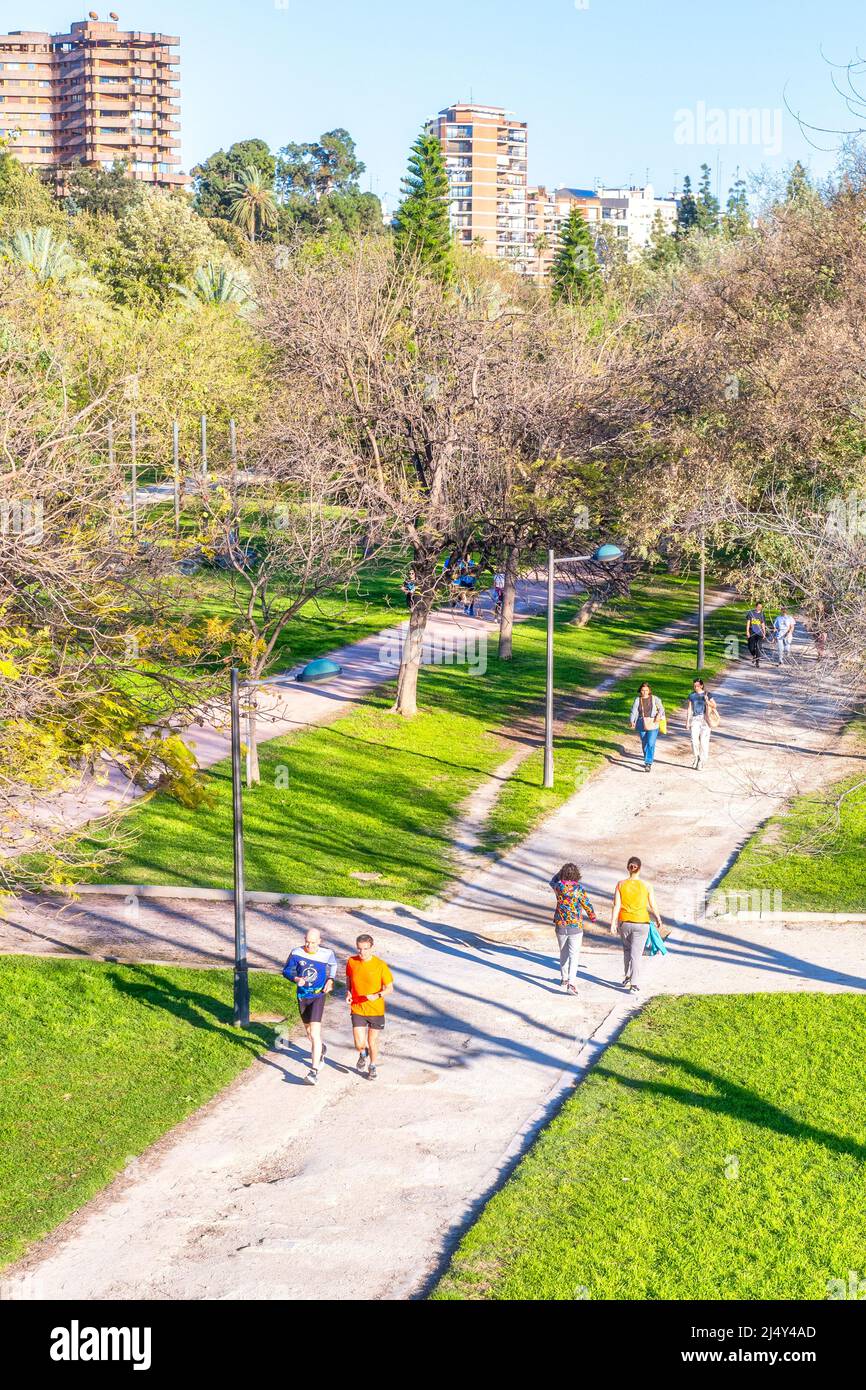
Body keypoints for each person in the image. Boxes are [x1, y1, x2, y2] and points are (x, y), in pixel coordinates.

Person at [283, 928, 337, 1085]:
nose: (309, 945)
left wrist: (330, 980)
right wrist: (295, 978)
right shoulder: (296, 953)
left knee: (314, 1033)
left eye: (313, 942)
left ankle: (313, 1072)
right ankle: (320, 1050)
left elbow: (333, 965)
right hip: (302, 996)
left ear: (320, 941)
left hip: (318, 996)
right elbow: (286, 970)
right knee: (310, 1034)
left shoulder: (327, 954)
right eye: (307, 941)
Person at [609, 856, 663, 994]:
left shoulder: (620, 884)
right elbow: (652, 904)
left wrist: (613, 923)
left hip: (624, 923)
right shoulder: (647, 885)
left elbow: (617, 905)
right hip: (641, 923)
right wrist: (658, 918)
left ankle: (627, 976)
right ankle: (634, 984)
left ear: (628, 868)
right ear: (640, 868)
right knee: (636, 954)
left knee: (627, 950)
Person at [345, 933, 394, 1080]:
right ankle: (362, 1053)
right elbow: (349, 979)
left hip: (375, 1010)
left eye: (366, 949)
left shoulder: (380, 965)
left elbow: (390, 988)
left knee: (372, 1041)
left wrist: (377, 995)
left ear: (372, 947)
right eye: (359, 949)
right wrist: (348, 992)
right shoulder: (352, 962)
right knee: (359, 1043)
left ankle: (372, 1066)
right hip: (357, 1008)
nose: (362, 952)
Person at [549, 863, 597, 995]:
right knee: (574, 956)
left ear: (562, 874)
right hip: (575, 925)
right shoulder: (578, 889)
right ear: (577, 875)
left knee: (563, 953)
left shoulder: (558, 887)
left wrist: (559, 874)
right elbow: (586, 903)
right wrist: (592, 917)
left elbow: (551, 881)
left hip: (560, 924)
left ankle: (564, 979)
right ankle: (571, 983)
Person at [629, 681, 666, 772]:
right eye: (642, 690)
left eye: (646, 690)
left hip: (653, 722)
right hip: (641, 723)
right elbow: (634, 711)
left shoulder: (654, 698)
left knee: (650, 742)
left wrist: (658, 715)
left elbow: (661, 708)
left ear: (649, 690)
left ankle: (648, 763)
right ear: (640, 691)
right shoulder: (637, 700)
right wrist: (632, 721)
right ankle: (648, 759)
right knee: (645, 743)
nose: (644, 692)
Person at [685, 677, 716, 770]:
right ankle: (696, 757)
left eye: (697, 685)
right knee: (694, 740)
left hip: (705, 719)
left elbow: (714, 705)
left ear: (701, 685)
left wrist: (707, 701)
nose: (696, 687)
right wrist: (687, 721)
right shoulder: (692, 695)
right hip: (695, 719)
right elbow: (689, 708)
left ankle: (702, 761)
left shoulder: (708, 694)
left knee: (703, 741)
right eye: (694, 686)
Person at [745, 603, 767, 668]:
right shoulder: (750, 613)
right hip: (752, 632)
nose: (759, 608)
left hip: (759, 633)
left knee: (758, 647)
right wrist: (747, 631)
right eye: (758, 606)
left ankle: (757, 662)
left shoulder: (762, 614)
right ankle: (754, 655)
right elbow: (748, 623)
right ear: (756, 606)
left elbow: (763, 624)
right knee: (750, 647)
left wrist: (764, 632)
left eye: (761, 607)